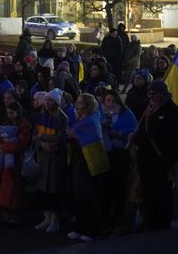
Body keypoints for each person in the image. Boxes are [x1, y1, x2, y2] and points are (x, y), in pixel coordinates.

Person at [130, 80, 178, 231]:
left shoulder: (172, 112)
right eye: (149, 94)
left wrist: (166, 161)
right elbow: (144, 132)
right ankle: (151, 222)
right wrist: (135, 137)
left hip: (160, 164)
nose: (151, 97)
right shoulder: (150, 110)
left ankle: (162, 224)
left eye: (153, 94)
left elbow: (173, 140)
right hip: (147, 162)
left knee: (161, 196)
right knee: (149, 195)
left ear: (162, 95)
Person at [66, 94, 108, 242]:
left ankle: (92, 231)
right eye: (77, 103)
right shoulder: (81, 120)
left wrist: (76, 136)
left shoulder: (91, 121)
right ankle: (79, 227)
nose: (77, 106)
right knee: (78, 196)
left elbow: (93, 139)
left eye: (80, 103)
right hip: (78, 161)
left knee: (87, 197)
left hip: (87, 163)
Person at [100, 89, 137, 230]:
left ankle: (118, 215)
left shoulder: (125, 113)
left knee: (118, 186)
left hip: (120, 154)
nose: (110, 104)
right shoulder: (100, 113)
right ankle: (105, 214)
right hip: (105, 153)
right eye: (107, 100)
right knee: (105, 186)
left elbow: (133, 129)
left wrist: (118, 132)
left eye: (113, 101)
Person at [33, 88, 68, 233]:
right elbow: (35, 136)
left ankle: (55, 219)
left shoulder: (62, 118)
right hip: (43, 156)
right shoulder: (41, 115)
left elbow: (60, 138)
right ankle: (46, 217)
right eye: (46, 100)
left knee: (54, 189)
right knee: (43, 191)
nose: (46, 103)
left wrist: (44, 140)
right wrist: (41, 143)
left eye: (49, 101)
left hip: (55, 158)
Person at [0, 101, 31, 225]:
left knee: (14, 188)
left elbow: (22, 144)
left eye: (12, 112)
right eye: (8, 112)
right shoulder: (5, 124)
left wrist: (3, 146)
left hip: (16, 163)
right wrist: (1, 144)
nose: (9, 115)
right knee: (4, 188)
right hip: (5, 163)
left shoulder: (24, 125)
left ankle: (13, 214)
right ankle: (6, 213)